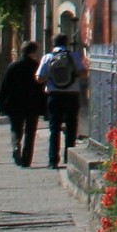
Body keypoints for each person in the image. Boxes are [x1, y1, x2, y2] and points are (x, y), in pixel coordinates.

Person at [37, 33, 84, 168]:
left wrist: (51, 77)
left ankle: (53, 160)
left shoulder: (48, 57)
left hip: (54, 95)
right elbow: (82, 73)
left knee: (54, 128)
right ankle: (69, 158)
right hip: (72, 95)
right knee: (71, 127)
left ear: (53, 44)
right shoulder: (74, 56)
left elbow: (39, 77)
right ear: (67, 42)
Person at [0, 41, 46, 166]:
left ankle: (15, 145)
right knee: (30, 132)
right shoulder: (36, 66)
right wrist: (43, 106)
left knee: (16, 129)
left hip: (15, 104)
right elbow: (41, 87)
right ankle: (26, 158)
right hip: (32, 104)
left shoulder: (13, 66)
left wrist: (1, 104)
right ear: (33, 52)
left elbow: (4, 87)